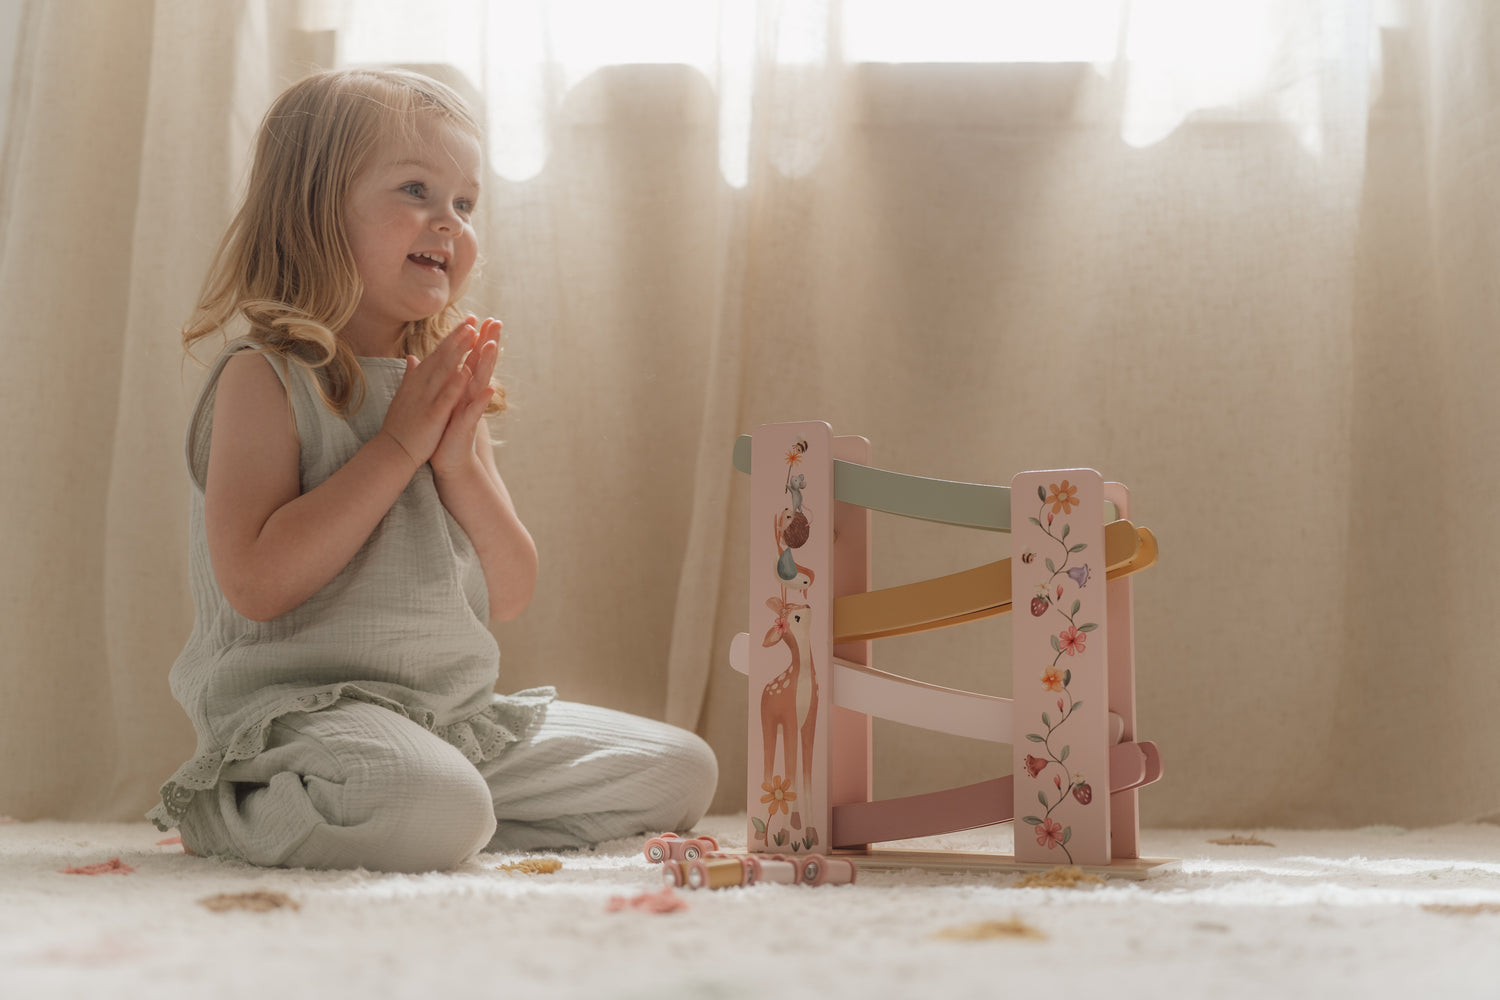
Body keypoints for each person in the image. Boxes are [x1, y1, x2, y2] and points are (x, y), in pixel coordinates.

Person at [147, 68, 717, 872]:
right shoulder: (265, 378)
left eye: (465, 204)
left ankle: (439, 814)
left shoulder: (439, 381)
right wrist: (396, 450)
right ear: (314, 209)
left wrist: (458, 464)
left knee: (683, 767)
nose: (448, 223)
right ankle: (240, 812)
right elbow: (257, 583)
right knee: (430, 801)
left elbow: (512, 592)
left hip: (449, 717)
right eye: (417, 189)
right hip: (307, 721)